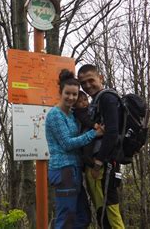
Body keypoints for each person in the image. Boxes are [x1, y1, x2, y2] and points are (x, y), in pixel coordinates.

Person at [46, 69, 104, 229]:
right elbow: (67, 143)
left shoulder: (72, 115)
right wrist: (94, 133)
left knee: (82, 217)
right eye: (68, 93)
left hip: (74, 170)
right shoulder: (55, 115)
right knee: (66, 219)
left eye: (75, 94)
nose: (71, 97)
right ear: (60, 92)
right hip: (63, 170)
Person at [77, 64, 125, 229]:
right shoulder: (96, 102)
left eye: (91, 80)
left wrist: (98, 162)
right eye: (83, 83)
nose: (88, 85)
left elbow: (111, 133)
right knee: (102, 212)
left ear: (101, 78)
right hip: (98, 166)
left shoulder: (107, 98)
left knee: (110, 211)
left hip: (104, 166)